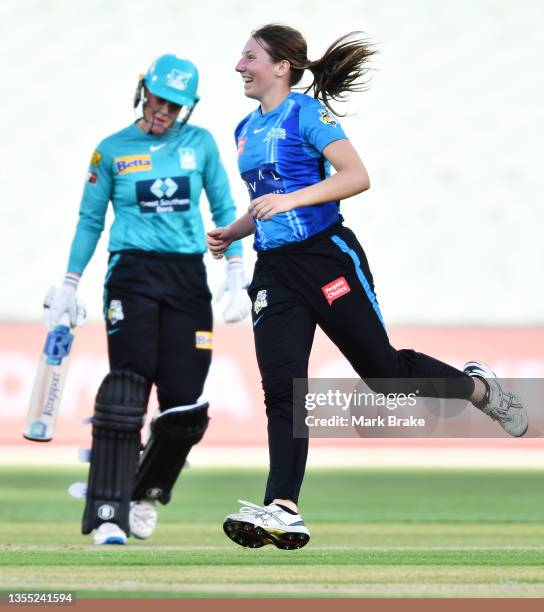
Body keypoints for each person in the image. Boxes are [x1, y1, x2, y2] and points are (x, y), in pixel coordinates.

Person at [206, 24, 528, 550]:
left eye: (249, 57)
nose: (239, 66)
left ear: (282, 66)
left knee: (384, 374)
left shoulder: (307, 113)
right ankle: (283, 507)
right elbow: (267, 197)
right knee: (282, 390)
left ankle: (478, 389)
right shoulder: (243, 127)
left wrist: (290, 202)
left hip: (326, 258)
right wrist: (234, 232)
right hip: (274, 273)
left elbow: (356, 176)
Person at [46, 54, 249, 545]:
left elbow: (224, 207)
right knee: (127, 391)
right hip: (132, 274)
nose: (164, 111)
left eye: (175, 105)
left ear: (187, 107)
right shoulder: (112, 150)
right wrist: (69, 284)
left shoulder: (198, 144)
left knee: (186, 408)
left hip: (186, 278)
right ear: (144, 91)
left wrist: (238, 269)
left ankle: (142, 493)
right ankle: (108, 510)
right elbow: (91, 220)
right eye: (158, 100)